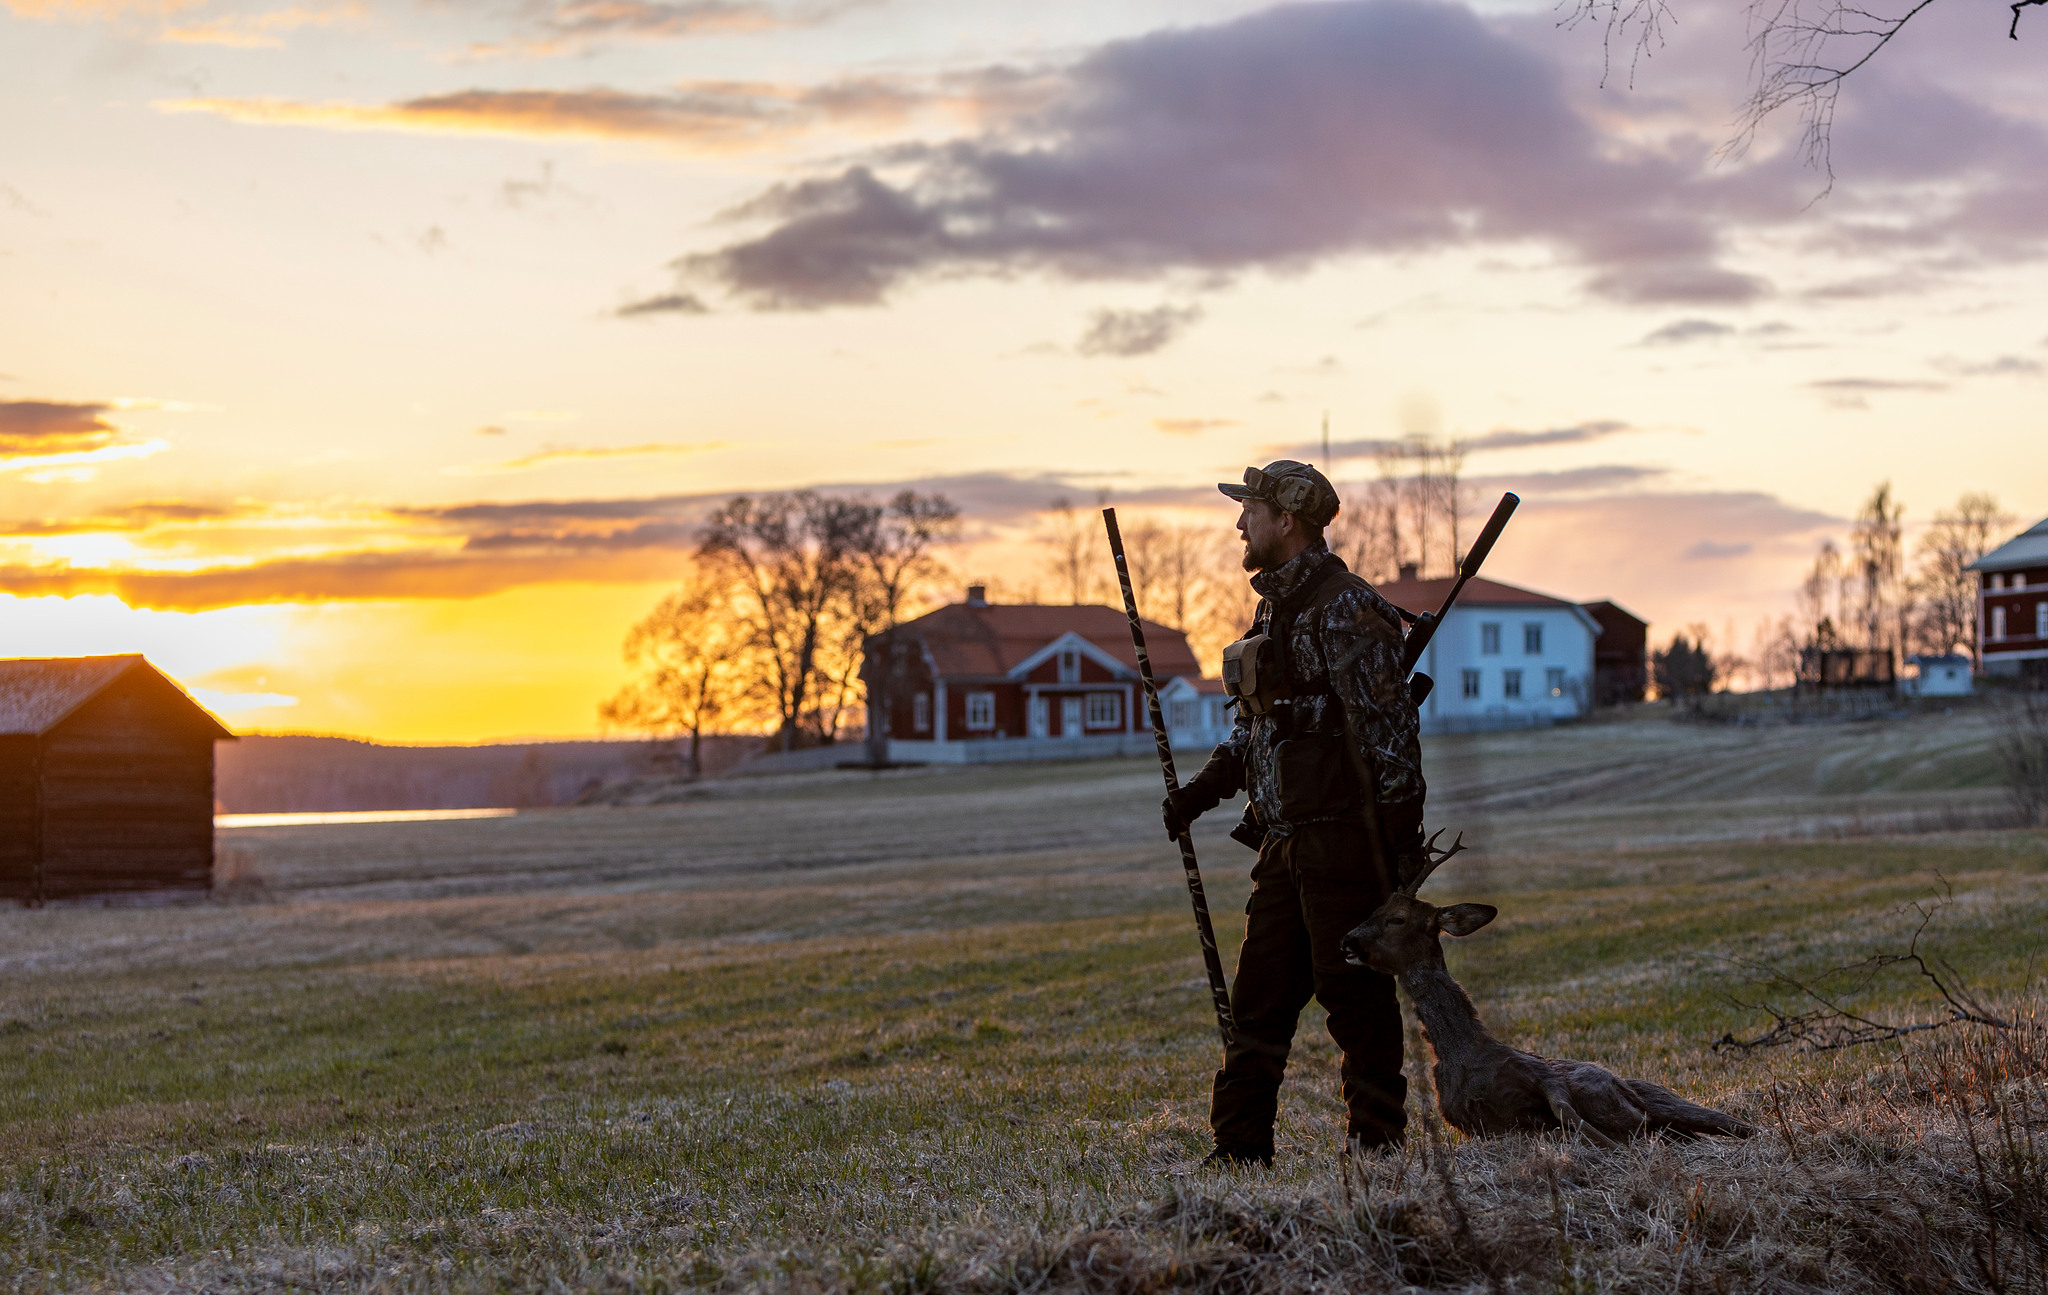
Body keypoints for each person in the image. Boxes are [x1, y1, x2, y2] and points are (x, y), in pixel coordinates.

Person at [1161, 459, 1427, 1167]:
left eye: (1249, 510)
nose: (1239, 522)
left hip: (1344, 845)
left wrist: (1397, 854)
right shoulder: (1270, 609)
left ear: (1287, 519)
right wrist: (1203, 790)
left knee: (1357, 1006)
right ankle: (1240, 1150)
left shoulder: (1349, 608)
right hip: (1282, 846)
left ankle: (1378, 1151)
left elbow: (1392, 737)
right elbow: (1257, 729)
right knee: (1259, 1007)